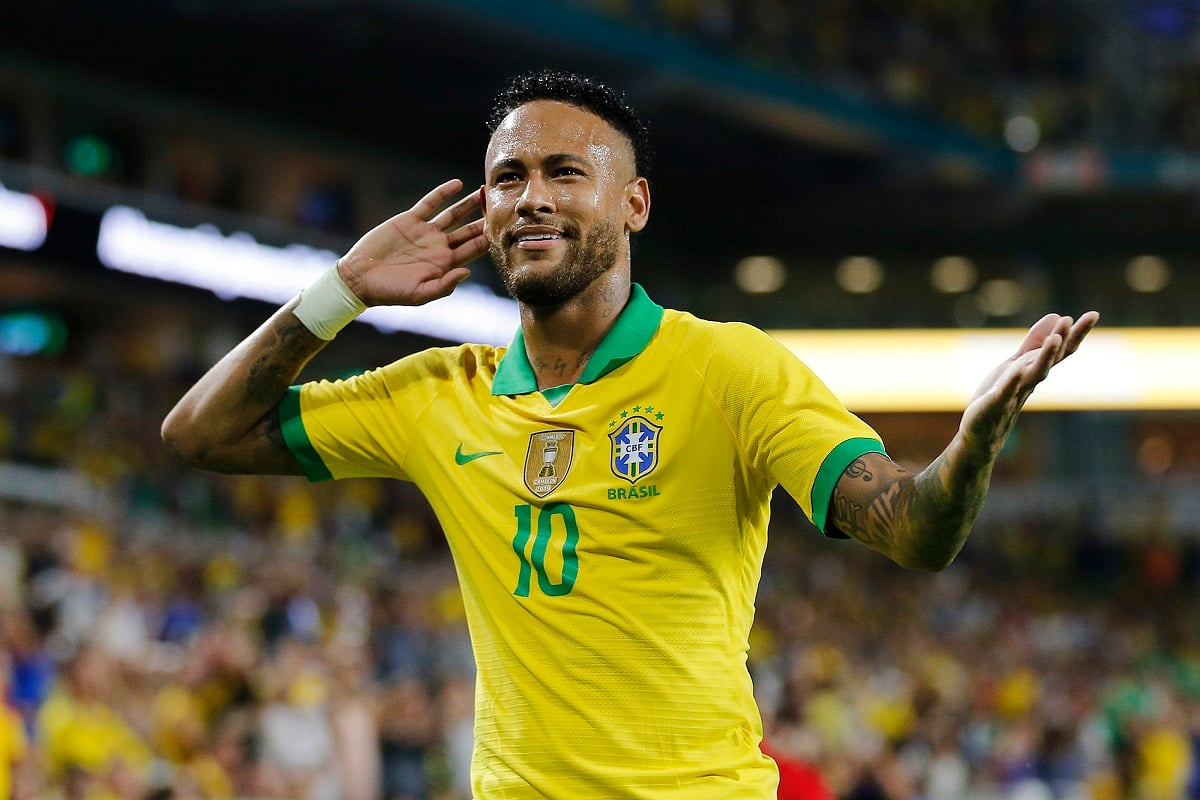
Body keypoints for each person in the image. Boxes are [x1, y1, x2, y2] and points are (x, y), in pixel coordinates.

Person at [161, 69, 1099, 798]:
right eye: (508, 178)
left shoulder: (729, 369)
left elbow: (914, 527)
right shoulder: (439, 393)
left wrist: (970, 449)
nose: (530, 197)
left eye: (565, 172)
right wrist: (341, 293)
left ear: (634, 204)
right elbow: (200, 433)